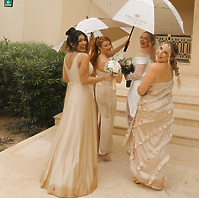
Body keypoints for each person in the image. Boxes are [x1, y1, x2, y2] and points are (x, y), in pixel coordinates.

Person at [40, 27, 112, 198]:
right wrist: (103, 77)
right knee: (80, 132)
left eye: (84, 39)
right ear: (72, 43)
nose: (84, 43)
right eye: (80, 40)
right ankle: (76, 174)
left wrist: (87, 74)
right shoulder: (84, 56)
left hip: (72, 96)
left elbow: (66, 79)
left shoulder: (67, 57)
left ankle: (61, 170)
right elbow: (85, 80)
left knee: (71, 131)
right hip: (83, 97)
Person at [124, 42, 180, 190]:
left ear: (170, 57)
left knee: (146, 143)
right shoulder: (170, 69)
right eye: (161, 48)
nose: (160, 53)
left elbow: (141, 90)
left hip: (150, 112)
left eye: (165, 53)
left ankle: (142, 175)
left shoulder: (154, 67)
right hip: (164, 111)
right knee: (158, 144)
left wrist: (143, 82)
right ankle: (156, 176)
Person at [90, 36, 128, 162]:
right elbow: (118, 80)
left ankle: (100, 145)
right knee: (107, 120)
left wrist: (123, 44)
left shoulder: (99, 57)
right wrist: (120, 68)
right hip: (107, 91)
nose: (109, 47)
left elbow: (111, 53)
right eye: (106, 45)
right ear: (100, 47)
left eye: (110, 44)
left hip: (100, 89)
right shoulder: (106, 62)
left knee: (103, 118)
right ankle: (103, 151)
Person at [125, 31, 156, 126]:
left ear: (151, 41)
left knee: (133, 113)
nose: (142, 40)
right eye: (141, 37)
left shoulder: (142, 52)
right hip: (148, 85)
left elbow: (138, 74)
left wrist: (128, 76)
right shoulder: (153, 50)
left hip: (138, 86)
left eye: (146, 38)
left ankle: (134, 138)